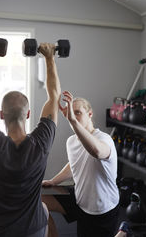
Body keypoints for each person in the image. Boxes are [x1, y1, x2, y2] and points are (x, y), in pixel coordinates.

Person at [0, 38, 61, 237]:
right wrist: (50, 58)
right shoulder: (41, 142)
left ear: (1, 114)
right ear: (27, 114)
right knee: (43, 209)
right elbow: (54, 96)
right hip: (33, 230)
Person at [42, 91, 120, 237]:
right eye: (71, 113)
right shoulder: (71, 141)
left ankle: (123, 233)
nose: (74, 116)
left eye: (78, 112)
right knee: (38, 203)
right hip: (80, 202)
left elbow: (96, 151)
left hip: (103, 209)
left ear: (89, 114)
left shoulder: (105, 139)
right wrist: (54, 181)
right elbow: (73, 164)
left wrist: (72, 120)